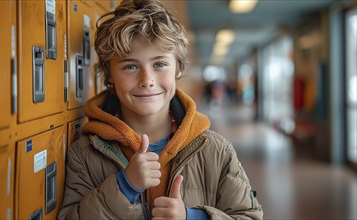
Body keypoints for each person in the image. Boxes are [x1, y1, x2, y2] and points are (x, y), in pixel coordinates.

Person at [58, 0, 263, 219]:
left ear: (179, 68)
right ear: (109, 75)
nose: (147, 80)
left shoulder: (216, 151)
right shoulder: (84, 154)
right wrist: (124, 187)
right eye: (130, 66)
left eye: (159, 64)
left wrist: (191, 217)